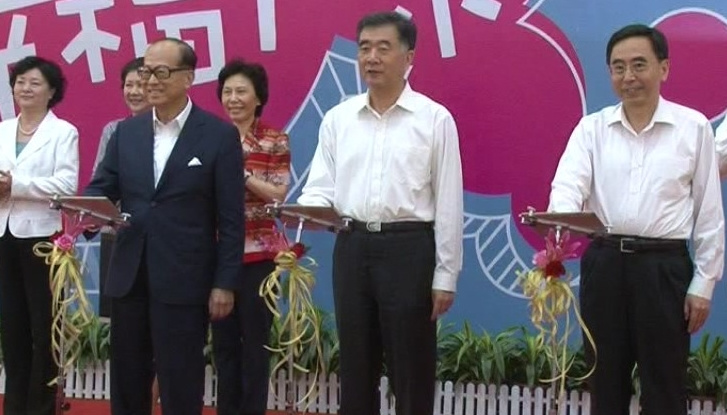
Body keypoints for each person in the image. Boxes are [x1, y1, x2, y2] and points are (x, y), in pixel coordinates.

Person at [548, 24, 724, 415]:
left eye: (639, 65)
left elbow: (709, 213)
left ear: (664, 68)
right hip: (605, 266)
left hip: (664, 269)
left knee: (665, 385)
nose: (629, 76)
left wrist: (704, 283)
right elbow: (567, 186)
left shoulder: (693, 128)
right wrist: (560, 225)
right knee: (604, 382)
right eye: (619, 67)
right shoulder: (592, 129)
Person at [298, 11, 463, 415]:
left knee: (412, 365)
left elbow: (448, 202)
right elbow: (320, 186)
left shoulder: (433, 119)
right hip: (352, 246)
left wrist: (445, 275)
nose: (371, 57)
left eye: (383, 48)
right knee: (356, 363)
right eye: (364, 48)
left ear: (409, 57)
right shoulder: (339, 119)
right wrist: (304, 210)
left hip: (409, 249)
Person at [85, 38, 244, 415]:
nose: (150, 81)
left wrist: (224, 282)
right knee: (127, 379)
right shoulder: (127, 133)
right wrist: (83, 210)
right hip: (130, 274)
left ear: (188, 77)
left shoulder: (218, 135)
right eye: (145, 72)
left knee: (180, 379)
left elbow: (231, 218)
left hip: (184, 277)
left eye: (161, 72)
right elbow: (102, 188)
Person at [0, 56, 79, 415]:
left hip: (42, 239)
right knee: (12, 326)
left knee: (44, 327)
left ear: (51, 91)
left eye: (34, 83)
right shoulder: (3, 129)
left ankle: (42, 407)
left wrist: (15, 185)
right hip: (5, 233)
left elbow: (66, 185)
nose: (25, 88)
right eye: (20, 82)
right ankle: (14, 405)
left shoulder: (63, 132)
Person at [212, 59, 290, 415]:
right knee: (223, 346)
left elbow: (277, 194)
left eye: (241, 91)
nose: (233, 99)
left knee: (256, 344)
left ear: (258, 98)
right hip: (217, 255)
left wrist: (240, 173)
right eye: (227, 92)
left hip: (260, 257)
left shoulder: (274, 139)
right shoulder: (211, 137)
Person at [92, 57, 148, 174]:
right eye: (129, 85)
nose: (134, 92)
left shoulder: (168, 128)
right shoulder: (113, 129)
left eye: (140, 85)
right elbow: (99, 176)